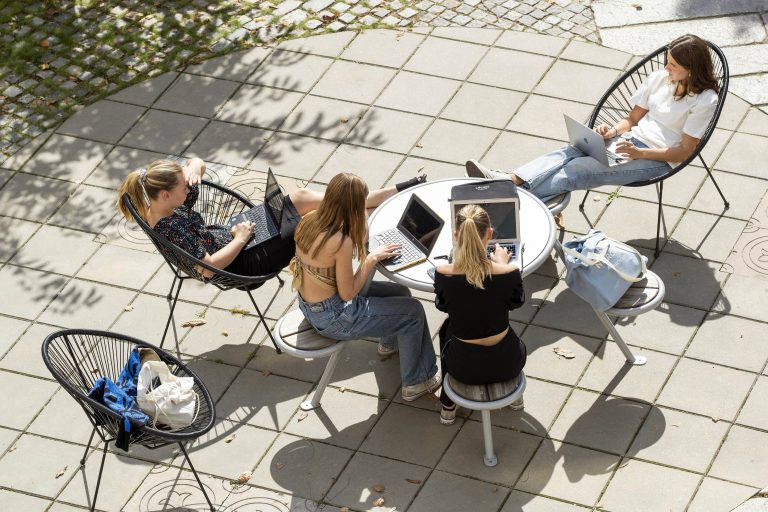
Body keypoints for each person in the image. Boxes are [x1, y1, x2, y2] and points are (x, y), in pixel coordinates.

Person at [466, 34, 720, 223]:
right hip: (629, 143)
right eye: (668, 62)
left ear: (692, 69)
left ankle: (507, 202)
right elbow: (632, 119)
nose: (666, 68)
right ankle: (509, 182)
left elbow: (684, 152)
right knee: (571, 152)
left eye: (673, 65)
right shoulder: (659, 79)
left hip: (657, 158)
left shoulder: (705, 100)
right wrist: (612, 132)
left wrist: (640, 154)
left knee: (574, 172)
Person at [117, 158, 424, 277]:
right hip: (244, 260)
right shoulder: (171, 227)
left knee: (300, 196)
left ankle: (390, 195)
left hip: (242, 235)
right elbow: (208, 269)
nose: (189, 190)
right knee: (321, 219)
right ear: (166, 194)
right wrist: (240, 239)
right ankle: (386, 213)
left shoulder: (168, 205)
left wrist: (193, 167)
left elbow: (195, 164)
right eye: (183, 188)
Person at [290, 173, 440, 401]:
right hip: (334, 316)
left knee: (400, 293)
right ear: (353, 207)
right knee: (414, 312)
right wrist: (370, 260)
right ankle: (417, 381)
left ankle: (388, 344)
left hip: (310, 306)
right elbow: (348, 293)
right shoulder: (340, 241)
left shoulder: (309, 220)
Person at [433, 204, 527, 425]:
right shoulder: (509, 273)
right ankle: (515, 401)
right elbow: (516, 302)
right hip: (508, 362)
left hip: (463, 367)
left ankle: (448, 405)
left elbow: (443, 306)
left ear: (457, 235)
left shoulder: (443, 273)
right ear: (490, 234)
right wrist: (502, 264)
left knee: (447, 329)